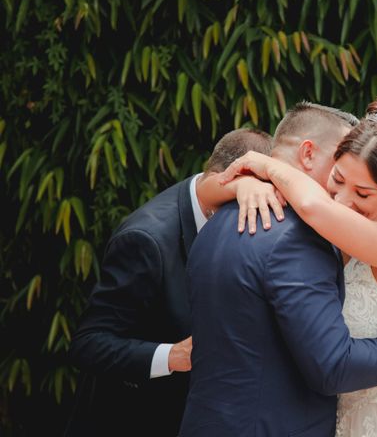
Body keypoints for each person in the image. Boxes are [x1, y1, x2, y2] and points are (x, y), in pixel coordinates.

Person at [180, 102, 377, 436]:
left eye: (362, 192)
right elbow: (331, 365)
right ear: (315, 156)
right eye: (338, 178)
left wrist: (265, 167)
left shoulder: (224, 219)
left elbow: (313, 205)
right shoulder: (292, 232)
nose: (342, 201)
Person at [65, 128, 279, 437]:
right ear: (225, 180)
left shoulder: (225, 204)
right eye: (246, 198)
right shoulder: (145, 241)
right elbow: (88, 344)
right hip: (131, 418)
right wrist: (171, 356)